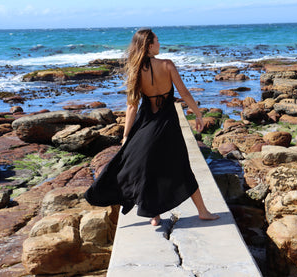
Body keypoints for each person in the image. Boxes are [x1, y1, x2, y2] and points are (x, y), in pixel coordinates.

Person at [85, 28, 219, 226]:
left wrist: (126, 135)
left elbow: (131, 106)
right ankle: (202, 211)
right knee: (181, 166)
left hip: (146, 124)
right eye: (157, 41)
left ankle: (154, 216)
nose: (159, 44)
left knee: (146, 168)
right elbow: (184, 93)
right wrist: (198, 114)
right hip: (168, 123)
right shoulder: (167, 65)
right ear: (149, 45)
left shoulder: (136, 70)